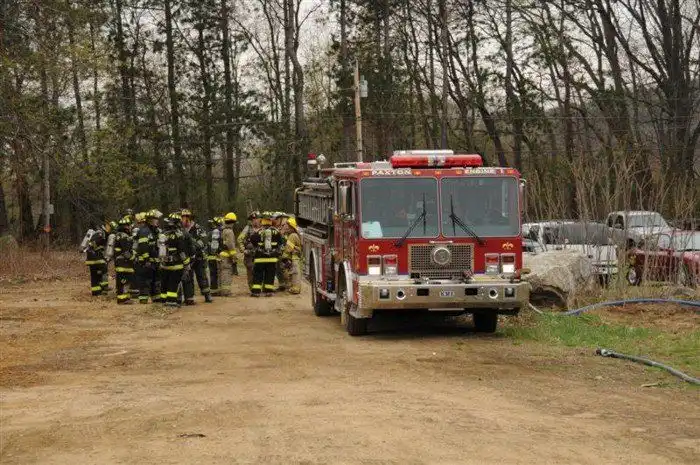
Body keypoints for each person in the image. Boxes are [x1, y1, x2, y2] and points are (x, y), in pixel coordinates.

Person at [247, 212, 284, 297]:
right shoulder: (276, 231)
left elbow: (252, 240)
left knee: (258, 275)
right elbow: (280, 243)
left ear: (262, 221)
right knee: (270, 275)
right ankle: (268, 291)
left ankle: (256, 292)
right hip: (272, 258)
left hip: (259, 258)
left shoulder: (259, 231)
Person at [181, 209, 212, 304]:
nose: (183, 220)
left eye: (185, 218)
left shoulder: (198, 228)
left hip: (198, 256)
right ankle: (189, 298)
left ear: (189, 218)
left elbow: (204, 240)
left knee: (202, 276)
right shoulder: (180, 230)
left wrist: (193, 244)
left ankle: (207, 295)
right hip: (187, 258)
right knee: (187, 278)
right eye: (182, 218)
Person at [160, 215, 190, 308]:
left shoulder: (163, 234)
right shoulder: (178, 235)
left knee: (164, 283)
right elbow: (181, 251)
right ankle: (172, 301)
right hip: (176, 265)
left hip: (164, 264)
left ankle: (164, 300)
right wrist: (186, 263)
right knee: (173, 283)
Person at [134, 209, 162, 303]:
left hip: (154, 261)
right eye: (155, 219)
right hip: (145, 262)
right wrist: (146, 260)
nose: (157, 221)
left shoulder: (154, 231)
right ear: (150, 220)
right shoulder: (144, 231)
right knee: (145, 281)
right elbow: (143, 247)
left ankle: (156, 298)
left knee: (155, 280)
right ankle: (143, 299)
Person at [106, 216, 135, 304]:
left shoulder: (118, 235)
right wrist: (133, 257)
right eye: (129, 225)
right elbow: (126, 251)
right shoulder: (123, 236)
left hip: (120, 262)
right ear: (125, 226)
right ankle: (122, 299)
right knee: (123, 281)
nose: (130, 227)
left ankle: (125, 298)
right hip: (124, 263)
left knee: (124, 280)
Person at [81, 220, 112, 296]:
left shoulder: (93, 234)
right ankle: (105, 286)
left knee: (94, 276)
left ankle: (96, 292)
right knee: (104, 270)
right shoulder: (100, 233)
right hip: (97, 258)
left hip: (90, 259)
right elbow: (95, 243)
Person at [238, 211, 260, 290]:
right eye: (254, 219)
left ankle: (259, 287)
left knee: (260, 271)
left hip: (260, 254)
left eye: (257, 218)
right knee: (250, 271)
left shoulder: (263, 228)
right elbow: (239, 239)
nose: (256, 221)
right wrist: (243, 250)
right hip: (250, 255)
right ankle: (252, 288)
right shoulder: (247, 228)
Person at [281, 217, 302, 294]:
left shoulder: (292, 235)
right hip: (292, 257)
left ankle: (295, 289)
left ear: (291, 227)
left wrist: (284, 256)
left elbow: (288, 249)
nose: (286, 227)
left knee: (295, 274)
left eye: (288, 226)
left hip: (294, 258)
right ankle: (293, 288)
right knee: (292, 273)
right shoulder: (291, 235)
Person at [218, 212, 238, 296]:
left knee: (221, 273)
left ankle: (221, 290)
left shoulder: (222, 230)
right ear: (232, 222)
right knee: (226, 273)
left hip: (221, 255)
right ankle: (226, 292)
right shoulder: (229, 232)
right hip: (227, 256)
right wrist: (234, 256)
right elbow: (231, 245)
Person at [206, 216, 222, 296]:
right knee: (218, 274)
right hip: (217, 256)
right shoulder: (217, 232)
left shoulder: (209, 233)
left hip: (210, 256)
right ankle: (217, 290)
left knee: (213, 274)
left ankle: (213, 290)